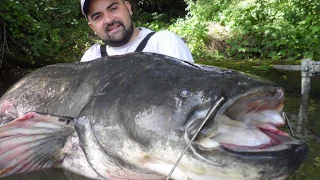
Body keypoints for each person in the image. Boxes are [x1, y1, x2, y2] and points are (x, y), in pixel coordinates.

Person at [80, 0, 194, 62]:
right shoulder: (91, 58)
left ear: (128, 8)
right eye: (98, 17)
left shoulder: (162, 43)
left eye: (113, 9)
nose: (109, 20)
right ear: (92, 27)